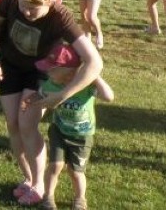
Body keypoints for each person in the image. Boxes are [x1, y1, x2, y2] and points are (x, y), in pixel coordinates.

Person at [0, 0, 103, 206]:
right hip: (10, 66)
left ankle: (39, 185)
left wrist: (61, 95)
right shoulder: (9, 0)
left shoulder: (61, 17)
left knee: (27, 123)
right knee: (13, 123)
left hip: (41, 71)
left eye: (33, 9)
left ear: (49, 2)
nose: (26, 13)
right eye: (23, 6)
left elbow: (95, 62)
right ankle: (28, 179)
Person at [26, 44, 114, 210]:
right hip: (59, 131)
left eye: (52, 69)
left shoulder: (86, 86)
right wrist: (32, 99)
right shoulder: (51, 84)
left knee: (76, 172)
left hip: (82, 137)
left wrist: (94, 76)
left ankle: (80, 198)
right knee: (55, 166)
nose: (47, 72)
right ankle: (48, 197)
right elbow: (41, 94)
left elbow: (109, 97)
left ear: (68, 72)